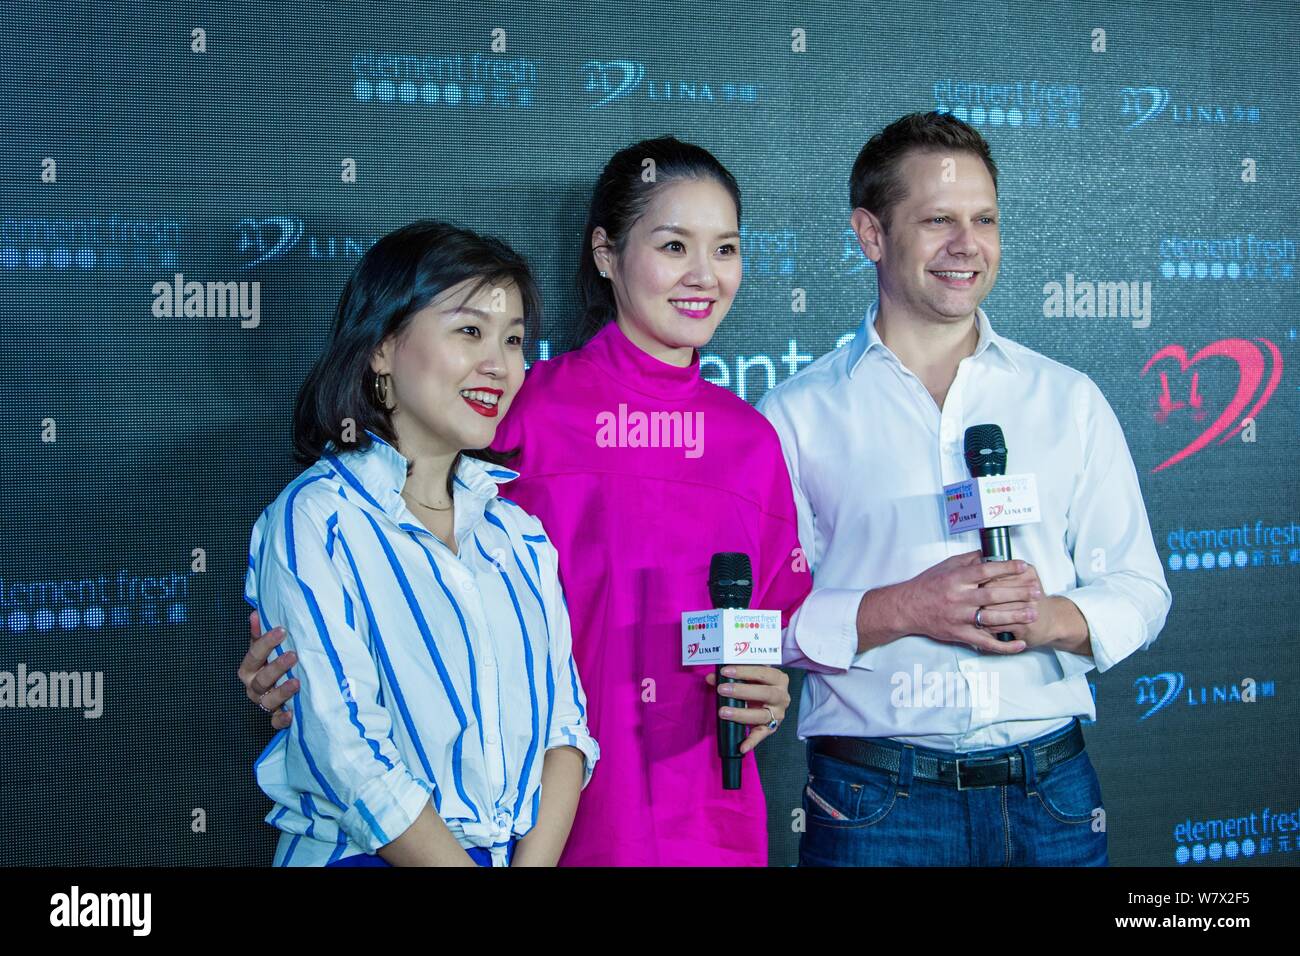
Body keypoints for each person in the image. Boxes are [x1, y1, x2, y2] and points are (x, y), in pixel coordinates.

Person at [242, 137, 811, 866]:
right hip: (544, 833)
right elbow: (382, 572)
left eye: (725, 248)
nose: (703, 274)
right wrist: (301, 676)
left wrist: (769, 685)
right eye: (674, 245)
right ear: (605, 254)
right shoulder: (516, 409)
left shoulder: (751, 442)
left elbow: (763, 630)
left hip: (705, 821)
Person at [764, 111, 1172, 866]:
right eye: (938, 220)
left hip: (1053, 797)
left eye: (984, 218)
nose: (968, 245)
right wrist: (902, 609)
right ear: (871, 234)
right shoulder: (794, 415)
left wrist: (1051, 616)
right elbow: (760, 625)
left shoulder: (1067, 398)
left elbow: (1142, 588)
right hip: (874, 807)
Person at [244, 220, 598, 867]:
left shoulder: (518, 536)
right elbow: (348, 753)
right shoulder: (316, 519)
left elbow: (565, 731)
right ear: (382, 347)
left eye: (514, 339)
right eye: (469, 331)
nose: (500, 363)